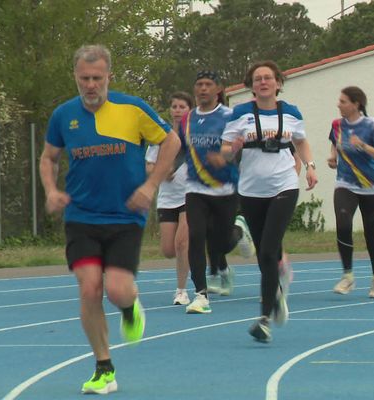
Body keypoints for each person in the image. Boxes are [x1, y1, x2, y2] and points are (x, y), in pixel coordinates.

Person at [39, 44, 180, 395]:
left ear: (108, 77)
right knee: (90, 287)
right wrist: (51, 190)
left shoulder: (132, 109)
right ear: (75, 76)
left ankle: (131, 309)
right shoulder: (63, 116)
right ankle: (104, 368)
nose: (90, 85)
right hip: (82, 215)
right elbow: (49, 158)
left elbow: (172, 141)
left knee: (117, 291)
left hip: (126, 214)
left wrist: (151, 185)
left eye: (97, 78)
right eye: (84, 78)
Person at [212, 60, 318, 343]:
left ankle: (263, 318)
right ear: (251, 85)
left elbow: (301, 141)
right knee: (263, 254)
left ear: (278, 83)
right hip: (251, 190)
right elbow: (223, 152)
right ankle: (278, 293)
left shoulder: (292, 113)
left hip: (284, 185)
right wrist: (230, 149)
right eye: (257, 79)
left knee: (270, 249)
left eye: (268, 78)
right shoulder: (240, 113)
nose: (263, 82)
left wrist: (310, 165)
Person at [180, 70, 254, 314]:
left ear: (218, 88)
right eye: (199, 84)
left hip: (225, 189)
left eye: (208, 84)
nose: (203, 89)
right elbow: (181, 148)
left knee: (219, 243)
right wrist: (167, 169)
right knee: (196, 237)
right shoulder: (187, 119)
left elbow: (239, 148)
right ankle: (200, 294)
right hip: (195, 188)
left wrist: (228, 155)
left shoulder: (229, 116)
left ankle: (238, 231)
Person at [326, 86, 374, 299]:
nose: (339, 104)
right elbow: (335, 144)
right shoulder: (337, 125)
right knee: (343, 225)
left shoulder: (372, 126)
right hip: (345, 184)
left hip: (372, 187)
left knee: (371, 233)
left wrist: (363, 145)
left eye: (343, 101)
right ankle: (348, 276)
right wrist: (333, 157)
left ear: (356, 104)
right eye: (339, 100)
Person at [145, 91, 194, 306]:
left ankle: (181, 291)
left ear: (189, 111)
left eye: (182, 107)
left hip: (190, 195)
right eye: (174, 106)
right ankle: (204, 248)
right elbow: (149, 166)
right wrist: (162, 171)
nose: (177, 110)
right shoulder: (160, 136)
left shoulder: (194, 135)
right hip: (167, 198)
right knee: (168, 250)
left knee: (182, 243)